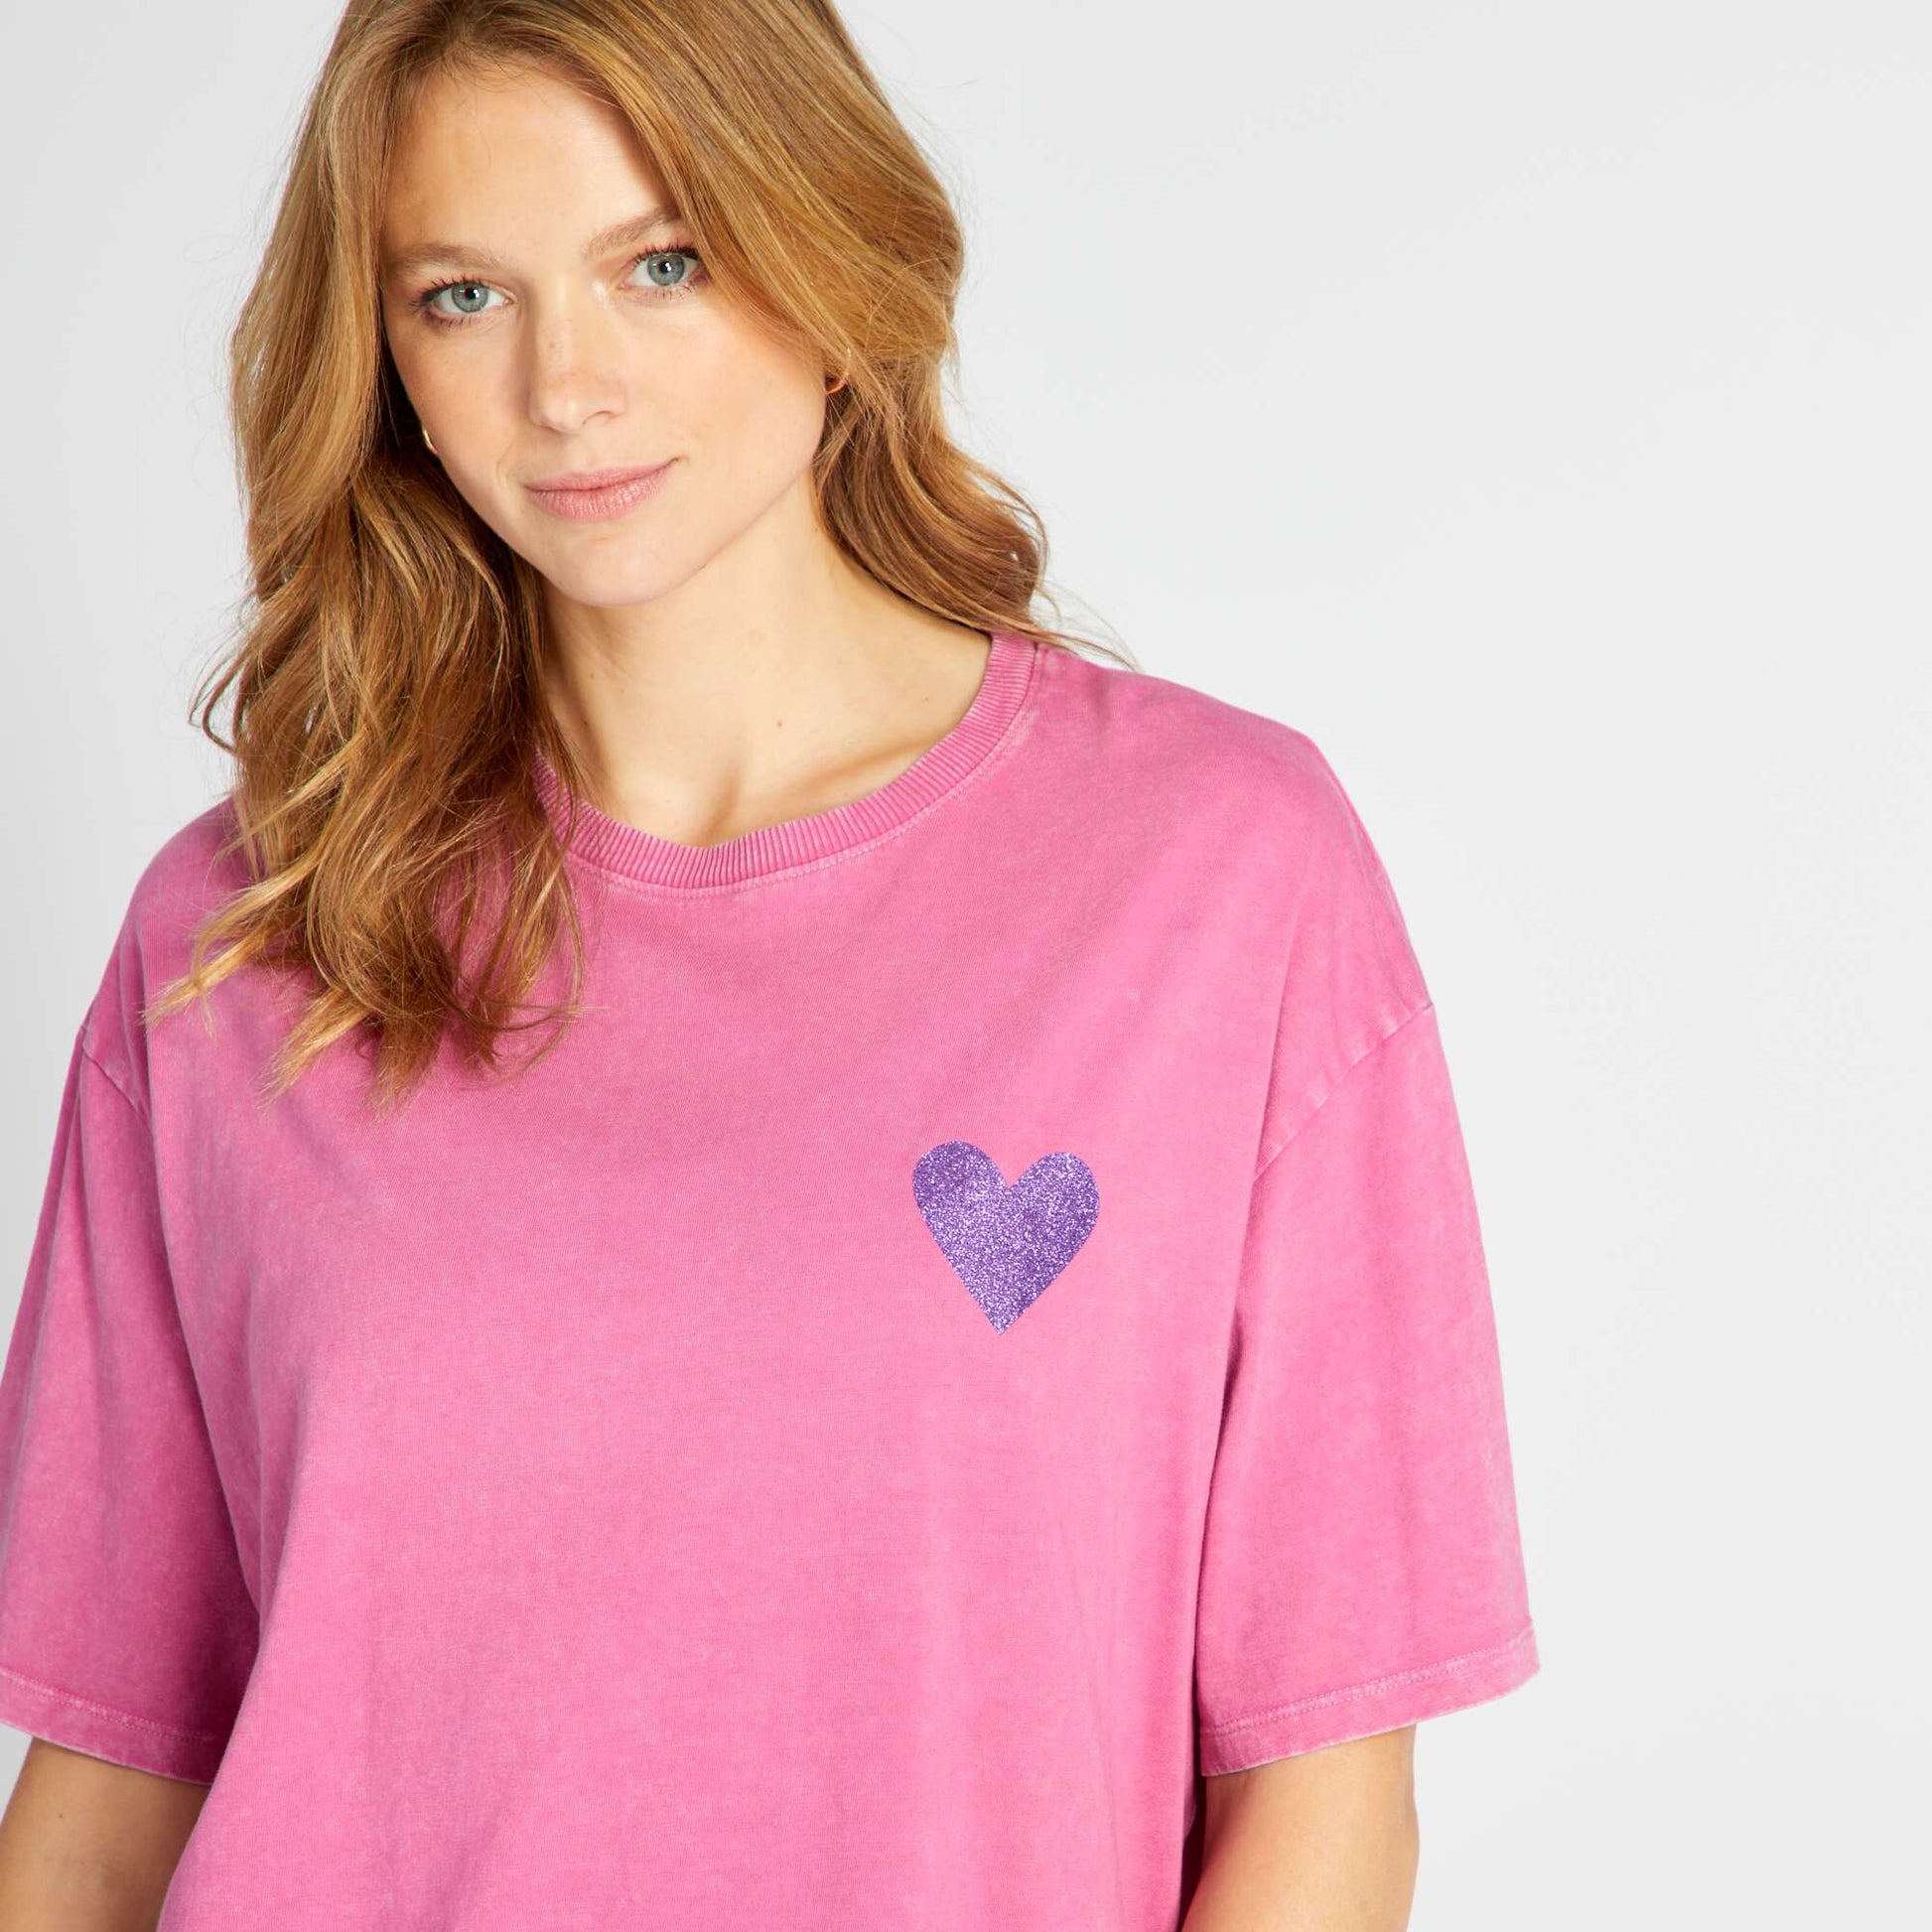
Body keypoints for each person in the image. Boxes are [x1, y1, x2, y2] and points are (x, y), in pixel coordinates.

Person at [0, 2, 1540, 1927]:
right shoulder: (240, 934)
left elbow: (1322, 1801)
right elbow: (111, 1792)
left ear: (828, 256)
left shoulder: (1216, 874)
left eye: (661, 264)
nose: (567, 386)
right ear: (385, 364)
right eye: (462, 295)